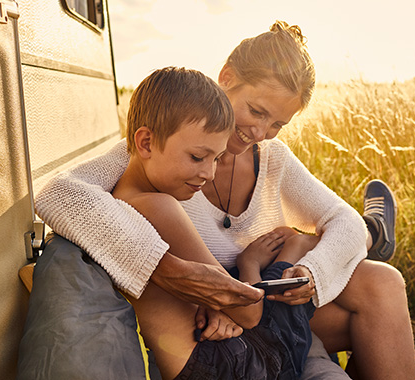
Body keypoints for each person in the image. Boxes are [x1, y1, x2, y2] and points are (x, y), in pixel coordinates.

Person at [35, 21, 415, 379]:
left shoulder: (272, 158)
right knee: (314, 249)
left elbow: (340, 220)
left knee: (382, 281)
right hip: (230, 319)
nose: (261, 132)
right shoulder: (162, 149)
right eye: (256, 111)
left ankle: (366, 234)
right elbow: (59, 194)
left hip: (253, 305)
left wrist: (314, 272)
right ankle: (372, 235)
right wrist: (160, 266)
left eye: (278, 124)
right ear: (227, 78)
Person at [111, 65, 316, 379]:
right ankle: (309, 241)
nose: (208, 173)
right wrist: (249, 263)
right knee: (293, 246)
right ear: (146, 143)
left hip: (209, 356)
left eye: (217, 158)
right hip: (227, 364)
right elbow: (248, 312)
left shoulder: (119, 194)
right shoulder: (161, 207)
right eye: (197, 157)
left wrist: (214, 304)